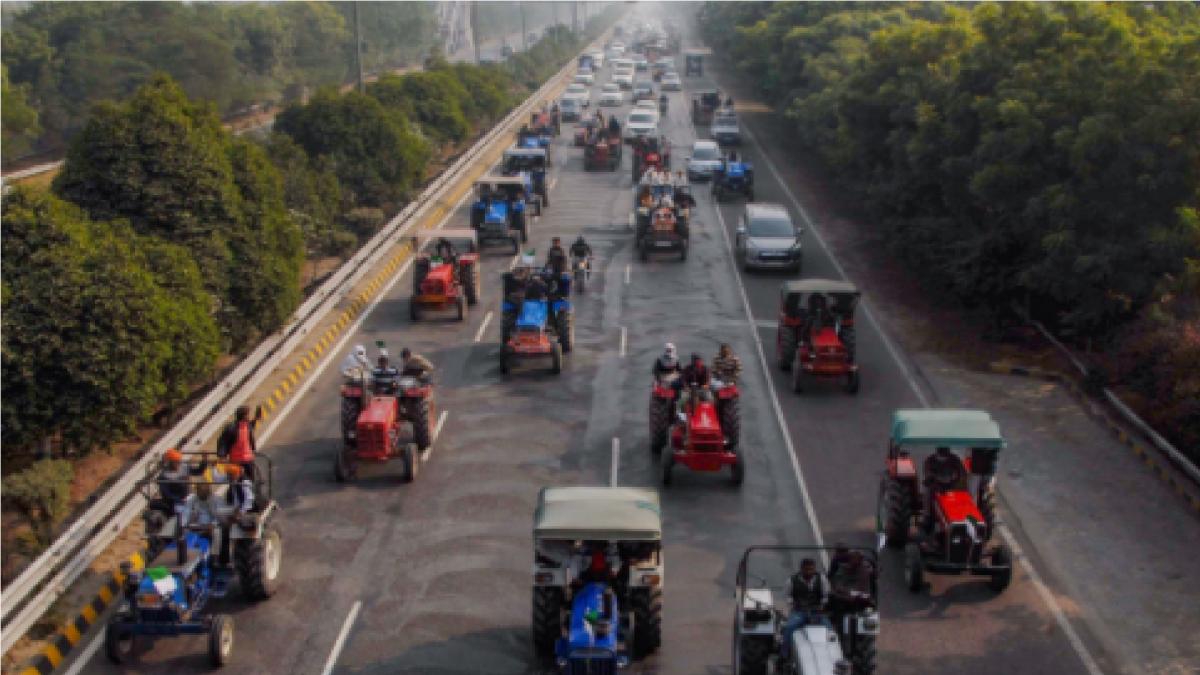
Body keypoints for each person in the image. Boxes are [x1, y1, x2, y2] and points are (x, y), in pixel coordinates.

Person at [781, 558, 831, 658]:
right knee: (789, 627)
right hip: (799, 612)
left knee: (829, 629)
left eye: (811, 569)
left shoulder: (821, 579)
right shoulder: (792, 580)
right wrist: (793, 603)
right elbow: (787, 596)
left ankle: (831, 654)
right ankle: (784, 653)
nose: (809, 572)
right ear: (802, 569)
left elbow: (826, 595)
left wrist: (822, 604)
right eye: (807, 569)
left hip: (816, 612)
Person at [922, 446, 969, 532]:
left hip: (952, 486)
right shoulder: (930, 460)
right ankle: (927, 516)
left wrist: (955, 479)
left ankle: (962, 516)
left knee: (963, 492)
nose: (943, 453)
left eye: (945, 452)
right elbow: (927, 473)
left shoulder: (955, 459)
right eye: (941, 452)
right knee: (927, 492)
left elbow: (962, 473)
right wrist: (935, 479)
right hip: (936, 486)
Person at [216, 405, 262, 480]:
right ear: (243, 416)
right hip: (236, 460)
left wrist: (256, 418)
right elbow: (222, 441)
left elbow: (251, 425)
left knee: (249, 482)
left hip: (248, 460)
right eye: (248, 414)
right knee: (236, 482)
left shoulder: (247, 426)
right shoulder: (231, 428)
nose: (249, 416)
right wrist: (222, 456)